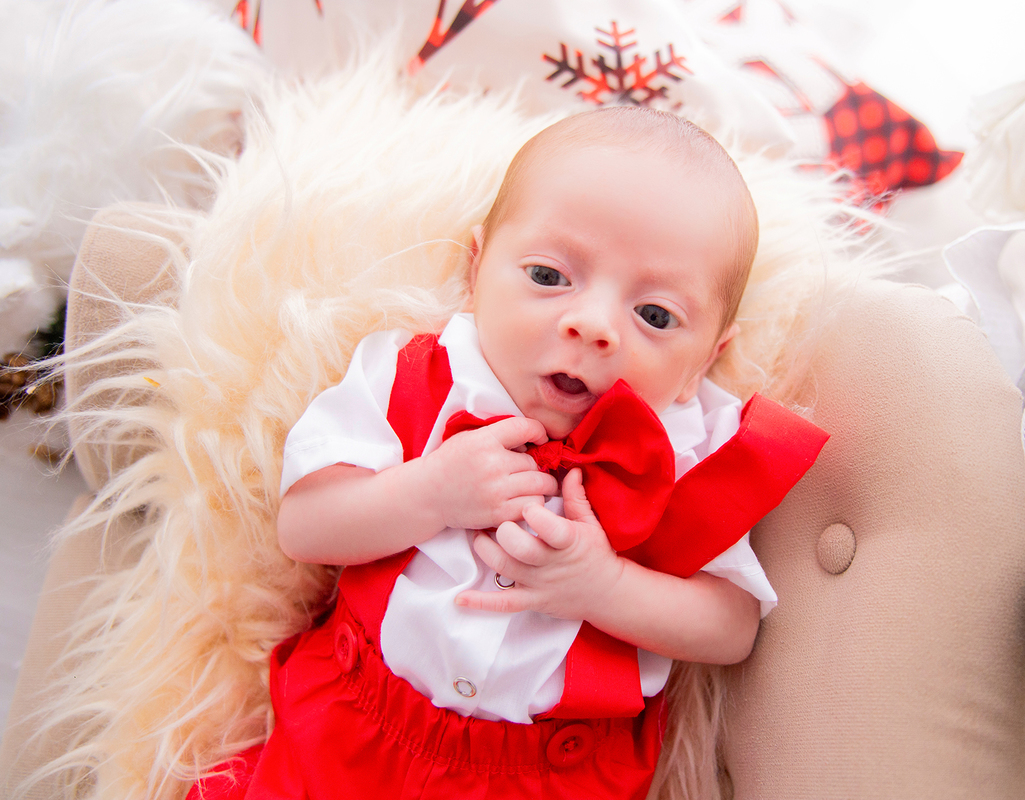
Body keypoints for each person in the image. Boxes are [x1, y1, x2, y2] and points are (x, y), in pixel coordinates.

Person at [189, 106, 827, 800]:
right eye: (550, 276)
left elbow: (730, 627)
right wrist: (428, 494)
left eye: (655, 316)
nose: (592, 325)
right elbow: (305, 527)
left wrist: (603, 588)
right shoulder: (411, 376)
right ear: (476, 270)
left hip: (554, 770)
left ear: (709, 356)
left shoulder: (691, 452)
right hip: (354, 722)